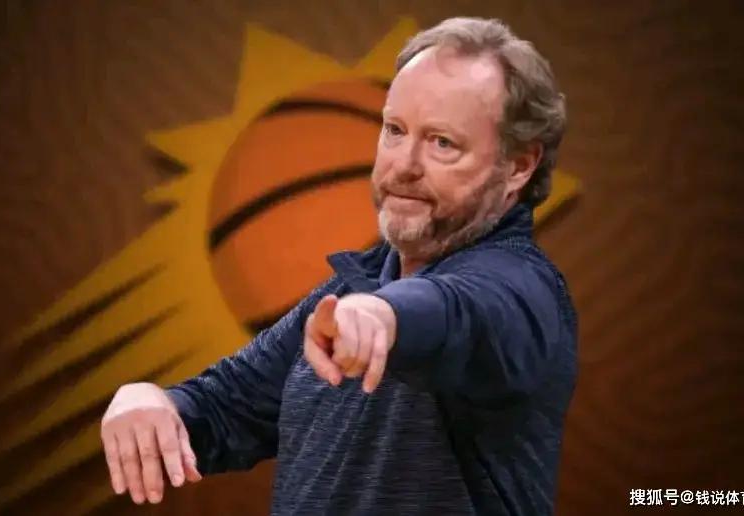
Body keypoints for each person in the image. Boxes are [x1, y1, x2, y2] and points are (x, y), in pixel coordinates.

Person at [101, 16, 577, 515]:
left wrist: (382, 315)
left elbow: (456, 310)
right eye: (394, 130)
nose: (403, 165)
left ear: (519, 166)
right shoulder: (353, 288)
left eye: (442, 142)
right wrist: (154, 403)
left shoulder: (525, 288)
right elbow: (227, 406)